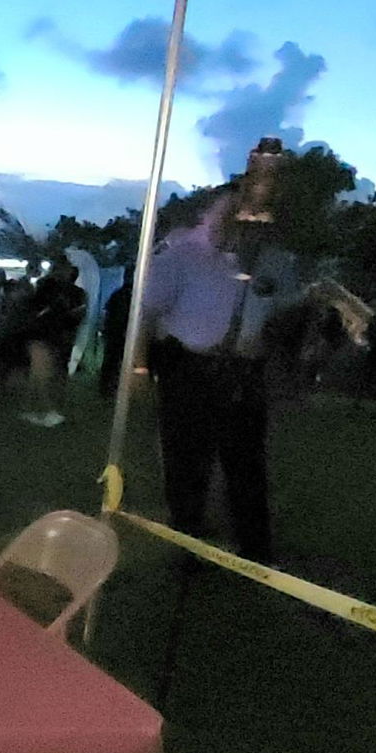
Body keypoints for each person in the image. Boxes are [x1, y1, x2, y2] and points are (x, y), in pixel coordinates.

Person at [137, 182, 299, 563]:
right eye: (231, 210)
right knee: (186, 463)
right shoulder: (181, 258)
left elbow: (281, 309)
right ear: (209, 214)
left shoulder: (274, 262)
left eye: (251, 213)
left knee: (246, 464)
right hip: (190, 371)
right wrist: (139, 366)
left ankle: (255, 549)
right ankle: (188, 545)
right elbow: (146, 314)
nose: (240, 220)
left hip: (244, 374)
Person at [18, 255, 86, 427]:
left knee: (37, 374)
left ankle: (29, 408)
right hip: (42, 334)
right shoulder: (49, 287)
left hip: (45, 334)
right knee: (42, 374)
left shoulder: (52, 287)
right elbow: (42, 309)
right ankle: (47, 410)